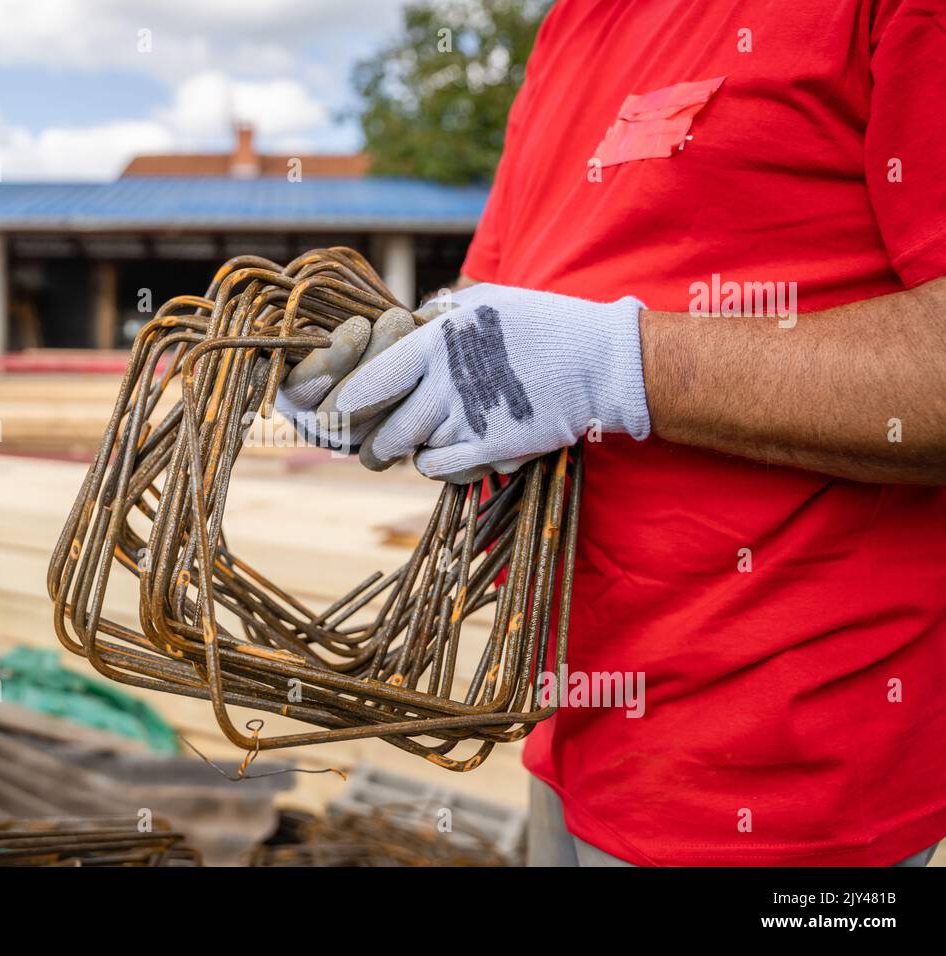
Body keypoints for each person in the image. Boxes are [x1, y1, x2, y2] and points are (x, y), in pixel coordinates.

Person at [280, 0, 945, 865]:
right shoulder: (573, 24)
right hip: (566, 726)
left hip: (779, 786)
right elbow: (490, 296)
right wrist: (385, 368)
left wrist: (613, 364)